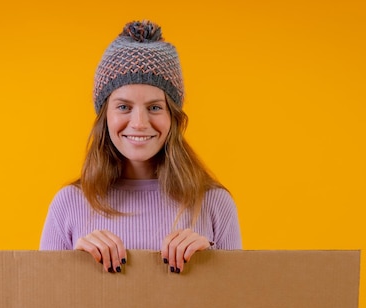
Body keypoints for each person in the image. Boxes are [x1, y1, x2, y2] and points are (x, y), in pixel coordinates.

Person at [40, 20, 241, 273]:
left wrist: (213, 266)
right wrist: (73, 269)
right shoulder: (68, 204)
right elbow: (45, 307)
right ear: (105, 117)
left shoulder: (214, 204)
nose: (139, 123)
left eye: (155, 107)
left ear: (173, 117)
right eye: (124, 107)